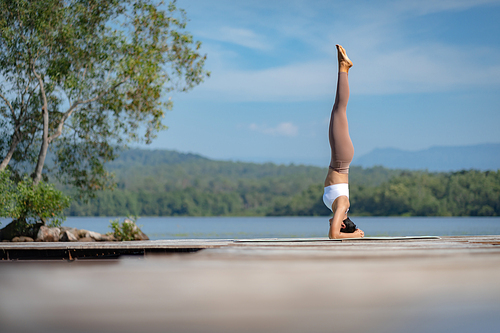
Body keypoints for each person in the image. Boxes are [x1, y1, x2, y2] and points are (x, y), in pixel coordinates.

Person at [323, 44, 365, 239]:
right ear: (341, 224)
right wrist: (356, 235)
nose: (331, 222)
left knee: (337, 109)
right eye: (337, 223)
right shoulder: (343, 205)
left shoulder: (337, 206)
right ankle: (343, 67)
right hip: (341, 160)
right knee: (339, 109)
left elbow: (332, 231)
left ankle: (344, 68)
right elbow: (333, 235)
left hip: (338, 160)